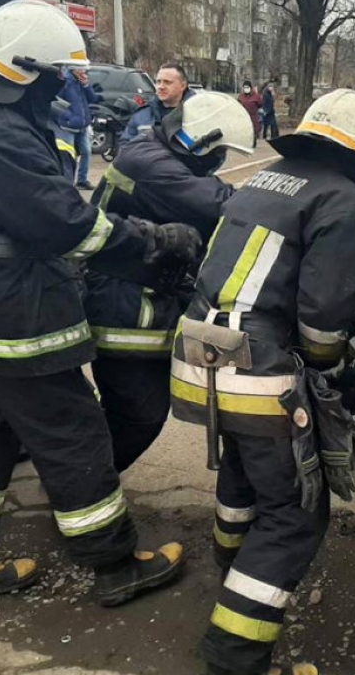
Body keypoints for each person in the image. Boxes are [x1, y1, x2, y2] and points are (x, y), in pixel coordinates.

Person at [0, 0, 200, 607]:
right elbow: (72, 226)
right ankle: (114, 564)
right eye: (55, 72)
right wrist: (157, 244)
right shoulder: (0, 135)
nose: (61, 83)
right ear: (23, 70)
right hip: (19, 312)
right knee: (74, 435)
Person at [170, 89, 355, 675]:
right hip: (258, 371)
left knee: (246, 472)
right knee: (294, 513)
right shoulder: (344, 199)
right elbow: (320, 320)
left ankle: (232, 573)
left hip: (199, 355)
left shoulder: (265, 179)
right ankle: (235, 655)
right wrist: (338, 366)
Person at [85, 92, 252, 472]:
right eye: (220, 149)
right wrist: (275, 194)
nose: (220, 159)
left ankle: (81, 473)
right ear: (201, 139)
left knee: (127, 409)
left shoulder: (158, 152)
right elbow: (219, 203)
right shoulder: (149, 163)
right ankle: (85, 483)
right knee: (140, 413)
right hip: (120, 303)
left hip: (137, 298)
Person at [120, 63, 194, 146]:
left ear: (183, 86)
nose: (161, 87)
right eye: (158, 82)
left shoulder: (199, 113)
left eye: (167, 82)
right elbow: (124, 147)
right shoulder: (142, 115)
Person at [55, 66, 100, 189]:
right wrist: (68, 118)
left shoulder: (81, 83)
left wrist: (86, 85)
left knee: (86, 152)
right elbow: (56, 101)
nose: (84, 72)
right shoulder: (65, 82)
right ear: (73, 70)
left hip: (82, 126)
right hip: (68, 126)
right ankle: (68, 182)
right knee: (69, 155)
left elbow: (93, 99)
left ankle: (82, 180)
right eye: (81, 69)